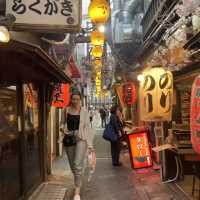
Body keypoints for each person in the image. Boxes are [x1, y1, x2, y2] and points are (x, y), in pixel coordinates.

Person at [60, 91, 93, 200]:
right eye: (73, 99)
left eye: (77, 99)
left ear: (80, 100)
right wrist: (63, 129)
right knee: (73, 166)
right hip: (69, 139)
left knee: (77, 164)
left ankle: (77, 192)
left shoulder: (84, 111)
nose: (75, 101)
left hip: (81, 139)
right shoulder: (66, 110)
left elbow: (87, 128)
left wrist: (90, 145)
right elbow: (62, 123)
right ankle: (78, 178)